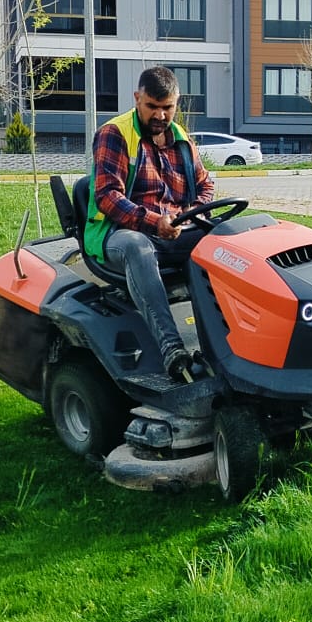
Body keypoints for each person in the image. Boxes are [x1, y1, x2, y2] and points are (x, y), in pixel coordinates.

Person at [83, 66, 216, 384]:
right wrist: (155, 223)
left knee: (224, 239)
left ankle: (225, 339)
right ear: (137, 98)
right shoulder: (114, 134)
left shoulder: (181, 139)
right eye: (152, 106)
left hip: (175, 229)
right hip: (118, 233)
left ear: (176, 103)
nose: (160, 115)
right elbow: (107, 197)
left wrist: (192, 213)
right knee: (137, 246)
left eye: (167, 107)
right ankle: (172, 349)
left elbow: (205, 185)